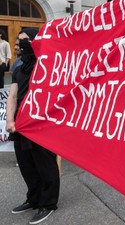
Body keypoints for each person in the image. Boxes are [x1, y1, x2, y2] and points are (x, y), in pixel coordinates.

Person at [7, 28, 60, 224]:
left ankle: (48, 204)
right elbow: (13, 96)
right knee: (27, 166)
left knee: (46, 167)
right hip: (20, 126)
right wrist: (9, 120)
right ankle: (34, 199)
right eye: (20, 41)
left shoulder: (49, 65)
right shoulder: (18, 68)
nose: (22, 44)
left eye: (26, 40)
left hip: (42, 126)